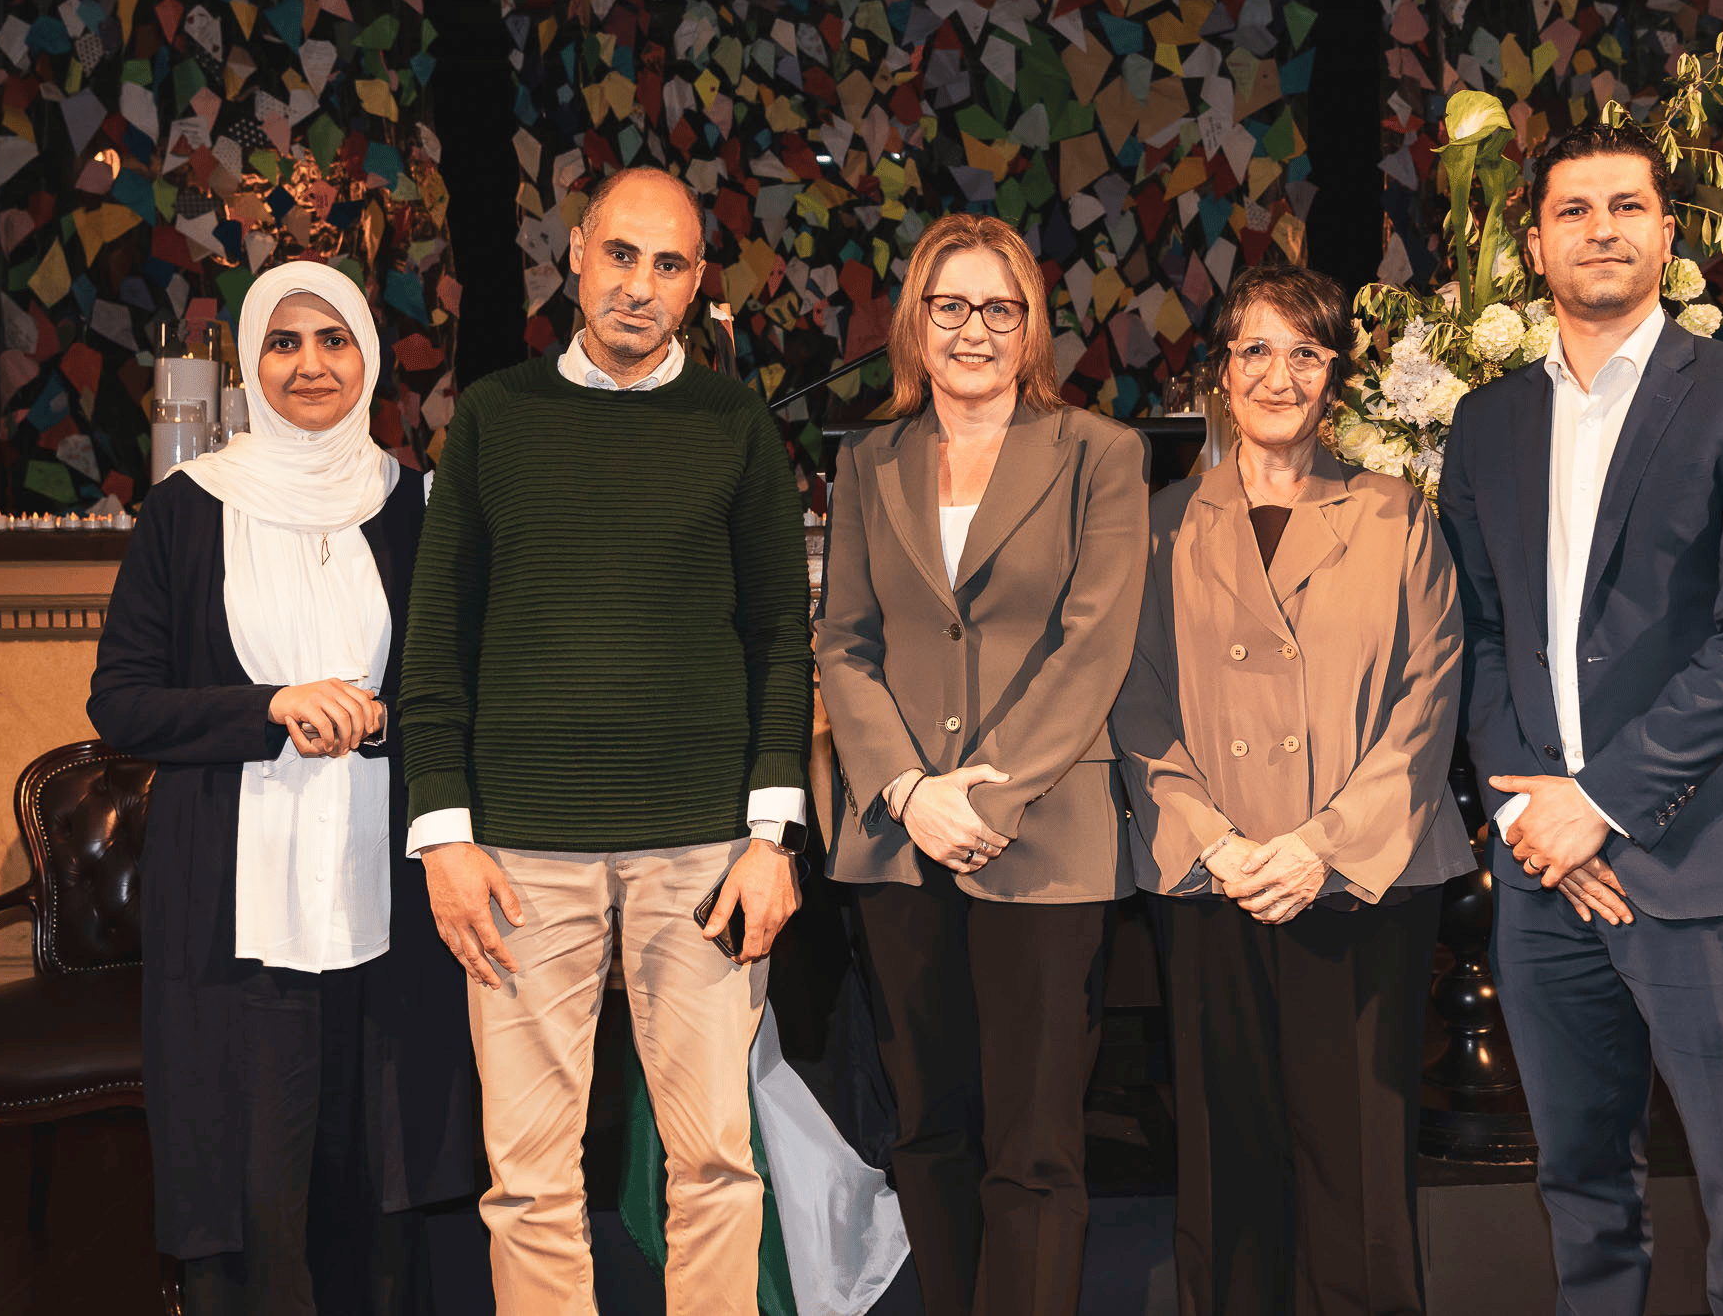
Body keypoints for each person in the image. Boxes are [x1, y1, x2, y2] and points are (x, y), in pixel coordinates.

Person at [398, 166, 813, 1316]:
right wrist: (443, 838)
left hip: (705, 857)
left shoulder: (735, 427)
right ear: (574, 254)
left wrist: (773, 834)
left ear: (694, 286)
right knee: (527, 1186)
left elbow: (784, 637)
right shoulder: (489, 417)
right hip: (520, 858)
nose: (639, 285)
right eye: (621, 255)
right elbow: (435, 649)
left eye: (668, 265)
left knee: (717, 1167)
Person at [1438, 122, 1723, 1315]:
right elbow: (1482, 636)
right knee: (1578, 1184)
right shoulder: (1486, 421)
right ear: (1533, 244)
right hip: (1544, 875)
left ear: (1668, 234)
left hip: (1699, 862)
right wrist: (1530, 812)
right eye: (1572, 209)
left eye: (1624, 206)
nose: (1600, 227)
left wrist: (1598, 805)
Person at [88, 261, 475, 1314]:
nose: (311, 364)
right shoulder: (185, 512)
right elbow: (119, 702)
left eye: (334, 340)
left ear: (370, 359)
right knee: (253, 1183)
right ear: (250, 365)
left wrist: (385, 714)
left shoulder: (413, 509)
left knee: (381, 1170)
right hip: (234, 907)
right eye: (285, 343)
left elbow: (458, 686)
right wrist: (265, 707)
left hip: (390, 902)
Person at [1113, 263, 1474, 1316]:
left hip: (1361, 886)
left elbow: (1426, 702)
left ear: (1335, 378)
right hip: (1209, 883)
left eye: (1305, 352)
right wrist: (1215, 842)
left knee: (1357, 1174)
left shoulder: (1396, 516)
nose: (1279, 374)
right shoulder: (1154, 524)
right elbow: (1130, 701)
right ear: (1220, 375)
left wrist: (1318, 844)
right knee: (1223, 1173)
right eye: (1255, 350)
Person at [814, 212, 1149, 1316]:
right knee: (928, 1131)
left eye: (996, 308)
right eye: (948, 306)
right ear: (915, 321)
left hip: (1040, 842)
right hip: (899, 845)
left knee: (1036, 1145)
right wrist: (909, 792)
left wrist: (984, 794)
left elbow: (1093, 641)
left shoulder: (1099, 453)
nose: (972, 329)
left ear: (1029, 326)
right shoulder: (867, 459)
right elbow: (843, 644)